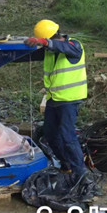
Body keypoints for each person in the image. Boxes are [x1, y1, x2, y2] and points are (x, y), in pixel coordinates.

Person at [25, 19, 87, 175]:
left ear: (49, 38)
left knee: (67, 136)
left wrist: (45, 42)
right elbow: (28, 55)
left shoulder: (74, 45)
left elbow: (64, 47)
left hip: (69, 100)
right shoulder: (49, 50)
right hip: (54, 99)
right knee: (50, 134)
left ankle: (80, 173)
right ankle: (66, 165)